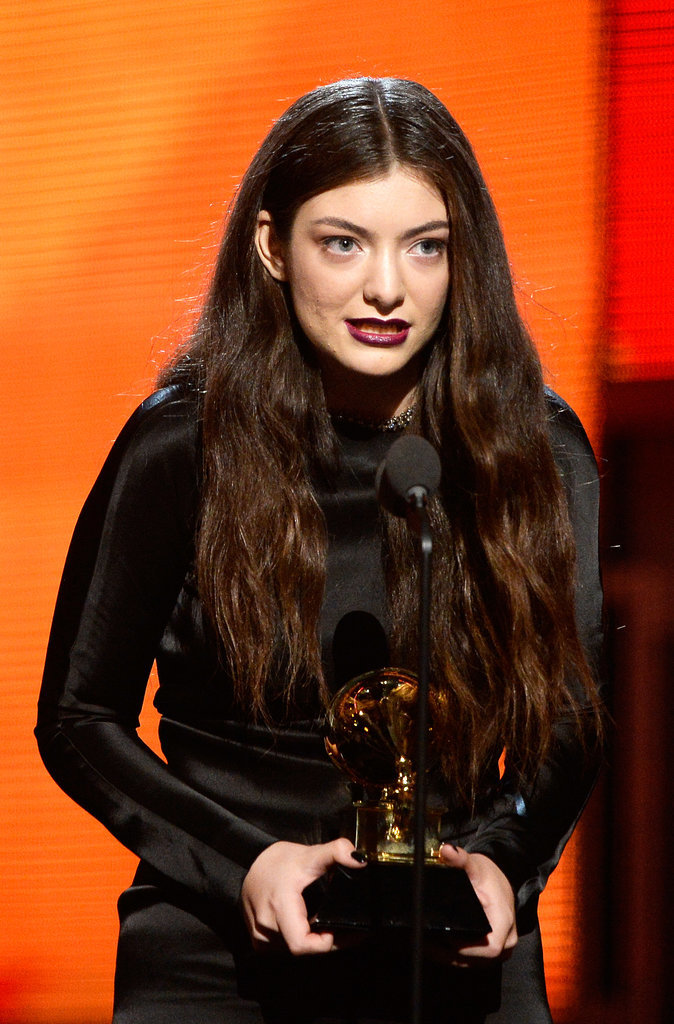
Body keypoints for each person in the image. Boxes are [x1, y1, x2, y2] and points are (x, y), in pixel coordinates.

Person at [36, 77, 604, 1024]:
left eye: (426, 247)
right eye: (343, 242)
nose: (387, 286)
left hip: (456, 936)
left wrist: (505, 863)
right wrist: (245, 862)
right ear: (272, 246)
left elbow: (570, 725)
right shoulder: (186, 444)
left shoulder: (536, 450)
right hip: (217, 944)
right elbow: (79, 716)